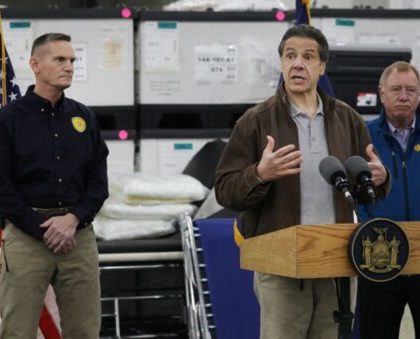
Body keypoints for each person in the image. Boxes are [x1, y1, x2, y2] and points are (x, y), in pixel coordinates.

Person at [214, 24, 389, 339]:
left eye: (308, 57)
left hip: (336, 262)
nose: (298, 63)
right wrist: (259, 174)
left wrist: (379, 179)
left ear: (321, 67)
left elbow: (364, 189)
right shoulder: (255, 121)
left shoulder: (348, 120)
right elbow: (225, 191)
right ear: (281, 63)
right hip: (281, 269)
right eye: (290, 56)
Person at [0, 33, 109, 338]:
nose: (69, 66)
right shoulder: (8, 120)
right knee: (17, 331)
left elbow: (98, 183)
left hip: (78, 236)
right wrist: (43, 229)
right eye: (60, 59)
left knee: (84, 331)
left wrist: (72, 220)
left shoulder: (84, 117)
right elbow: (2, 187)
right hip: (26, 236)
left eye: (72, 60)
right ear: (35, 64)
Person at [355, 61, 420, 339]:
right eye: (396, 89)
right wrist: (368, 230)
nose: (404, 96)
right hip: (379, 259)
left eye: (411, 90)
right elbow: (352, 198)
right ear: (381, 94)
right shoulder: (362, 136)